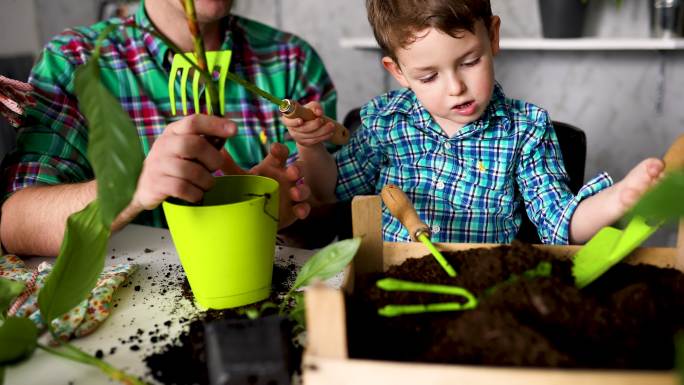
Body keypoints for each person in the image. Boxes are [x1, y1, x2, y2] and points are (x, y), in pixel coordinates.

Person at [283, 0, 665, 245]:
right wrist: (310, 145)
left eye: (469, 61)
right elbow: (328, 189)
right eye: (429, 76)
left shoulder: (525, 131)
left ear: (493, 36)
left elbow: (561, 225)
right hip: (391, 279)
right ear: (397, 71)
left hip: (482, 285)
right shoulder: (387, 121)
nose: (456, 88)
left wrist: (618, 199)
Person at [0, 0, 339, 256]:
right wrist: (129, 190)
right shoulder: (74, 60)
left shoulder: (291, 59)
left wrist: (285, 211)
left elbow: (326, 223)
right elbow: (15, 224)